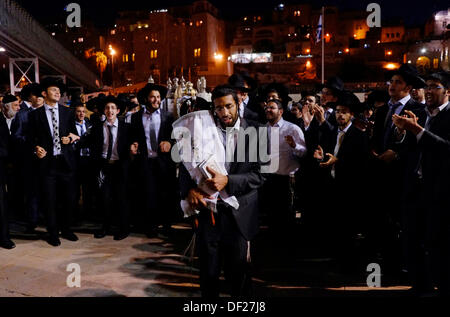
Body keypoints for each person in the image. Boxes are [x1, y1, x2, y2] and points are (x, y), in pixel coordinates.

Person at [179, 85, 265, 297]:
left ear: (238, 104)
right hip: (210, 215)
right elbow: (186, 165)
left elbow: (260, 175)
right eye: (219, 108)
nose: (224, 113)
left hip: (239, 216)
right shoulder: (203, 131)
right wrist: (190, 190)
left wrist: (228, 181)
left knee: (239, 276)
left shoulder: (255, 131)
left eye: (228, 106)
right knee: (208, 274)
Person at [392, 71, 450, 296]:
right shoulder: (419, 112)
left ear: (447, 91)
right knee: (411, 239)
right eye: (427, 86)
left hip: (440, 190)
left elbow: (445, 148)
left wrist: (417, 130)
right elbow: (408, 149)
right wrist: (401, 133)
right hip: (414, 186)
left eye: (435, 86)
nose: (429, 91)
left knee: (438, 243)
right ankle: (420, 286)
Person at [370, 63, 427, 272]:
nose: (392, 86)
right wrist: (375, 151)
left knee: (403, 220)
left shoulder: (419, 109)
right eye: (391, 82)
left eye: (398, 82)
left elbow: (418, 142)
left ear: (408, 87)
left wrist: (398, 153)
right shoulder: (383, 109)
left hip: (404, 174)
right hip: (382, 172)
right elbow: (376, 137)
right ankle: (388, 259)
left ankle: (405, 263)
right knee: (384, 218)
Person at [313, 91, 369, 269]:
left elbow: (362, 164)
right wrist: (320, 158)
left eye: (344, 111)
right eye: (337, 111)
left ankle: (350, 264)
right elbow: (327, 155)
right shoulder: (331, 134)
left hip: (350, 189)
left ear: (351, 114)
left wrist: (339, 161)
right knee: (335, 227)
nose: (340, 115)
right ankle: (337, 260)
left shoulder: (359, 135)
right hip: (332, 186)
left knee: (349, 229)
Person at [28, 77, 80, 246]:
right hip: (47, 164)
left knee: (68, 198)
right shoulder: (35, 115)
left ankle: (66, 229)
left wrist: (71, 138)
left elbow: (74, 133)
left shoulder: (67, 112)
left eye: (59, 90)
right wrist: (36, 148)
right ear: (44, 93)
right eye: (53, 90)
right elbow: (30, 138)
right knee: (50, 199)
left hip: (65, 162)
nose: (58, 92)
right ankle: (52, 233)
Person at [80, 96, 131, 240]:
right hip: (103, 166)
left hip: (120, 167)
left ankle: (123, 229)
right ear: (104, 111)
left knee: (121, 198)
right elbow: (85, 141)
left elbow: (133, 142)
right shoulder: (96, 127)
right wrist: (74, 138)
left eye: (113, 108)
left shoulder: (125, 127)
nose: (110, 110)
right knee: (104, 198)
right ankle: (105, 227)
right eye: (107, 108)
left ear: (118, 111)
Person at [130, 83, 177, 237]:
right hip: (145, 161)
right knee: (148, 193)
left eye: (158, 97)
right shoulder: (136, 117)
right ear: (146, 99)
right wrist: (134, 143)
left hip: (163, 162)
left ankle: (167, 225)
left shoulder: (168, 116)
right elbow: (134, 136)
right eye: (153, 97)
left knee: (165, 193)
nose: (156, 100)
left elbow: (176, 137)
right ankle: (151, 225)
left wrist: (170, 143)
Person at [261, 99, 306, 238]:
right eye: (267, 107)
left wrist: (294, 146)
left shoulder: (292, 128)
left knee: (287, 214)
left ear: (280, 111)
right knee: (272, 214)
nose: (268, 110)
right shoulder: (264, 129)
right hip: (269, 178)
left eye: (272, 108)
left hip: (287, 179)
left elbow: (304, 152)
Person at [13, 83, 44, 234]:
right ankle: (32, 221)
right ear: (32, 96)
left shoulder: (42, 112)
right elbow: (17, 136)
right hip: (29, 159)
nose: (40, 97)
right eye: (37, 95)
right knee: (32, 191)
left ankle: (42, 217)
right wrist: (33, 145)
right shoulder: (22, 114)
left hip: (45, 159)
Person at [0, 94, 20, 249]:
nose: (18, 108)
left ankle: (6, 235)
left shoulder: (15, 120)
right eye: (15, 105)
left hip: (8, 169)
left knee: (5, 204)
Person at [72, 102, 95, 222]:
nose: (81, 114)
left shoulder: (90, 124)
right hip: (76, 160)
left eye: (83, 111)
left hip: (88, 160)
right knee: (75, 190)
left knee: (88, 189)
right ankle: (75, 215)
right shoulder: (70, 125)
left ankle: (87, 214)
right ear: (74, 113)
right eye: (78, 111)